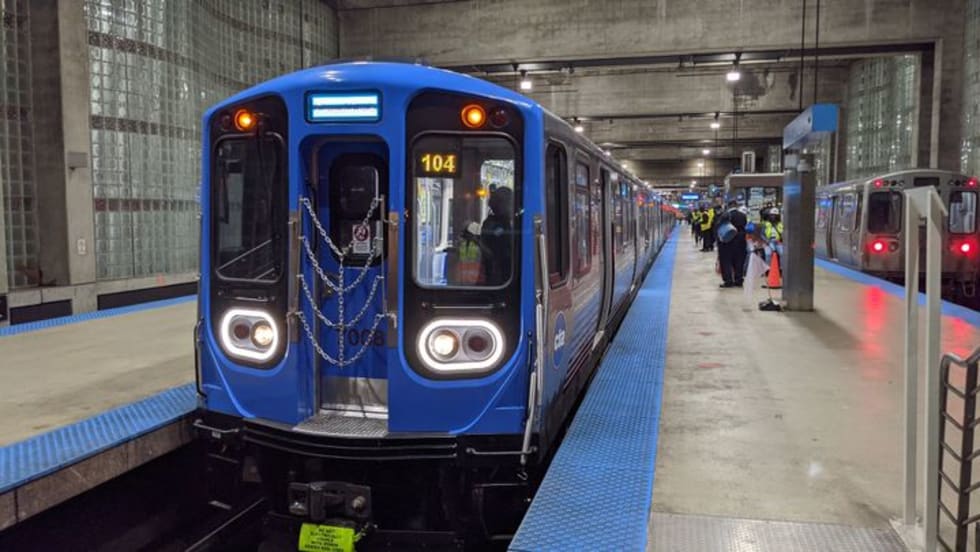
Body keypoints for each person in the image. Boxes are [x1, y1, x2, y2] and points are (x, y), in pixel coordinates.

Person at [480, 186, 513, 285]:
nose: (512, 207)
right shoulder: (493, 225)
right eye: (510, 203)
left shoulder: (506, 222)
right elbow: (492, 252)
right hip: (498, 275)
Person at [716, 200, 748, 287]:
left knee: (726, 261)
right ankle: (739, 280)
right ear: (736, 205)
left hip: (727, 242)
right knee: (739, 261)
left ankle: (728, 281)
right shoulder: (742, 215)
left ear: (728, 206)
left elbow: (719, 228)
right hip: (740, 241)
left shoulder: (724, 215)